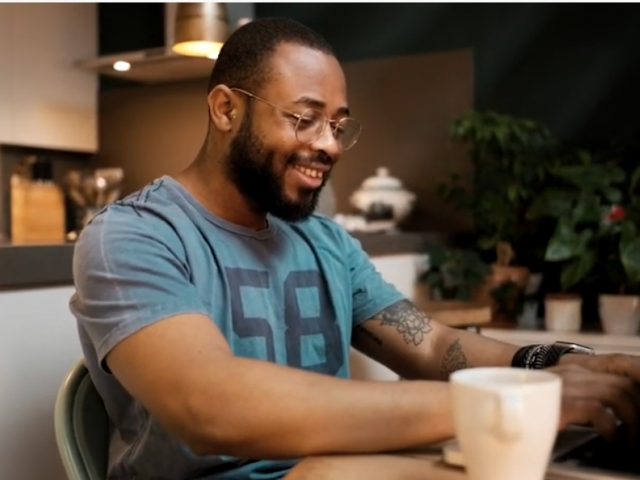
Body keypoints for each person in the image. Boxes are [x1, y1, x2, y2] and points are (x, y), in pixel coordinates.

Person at [70, 16, 640, 480]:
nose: (329, 145)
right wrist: (512, 400)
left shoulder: (324, 241)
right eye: (305, 119)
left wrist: (550, 364)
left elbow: (429, 346)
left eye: (338, 125)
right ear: (225, 109)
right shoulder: (132, 237)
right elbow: (208, 407)